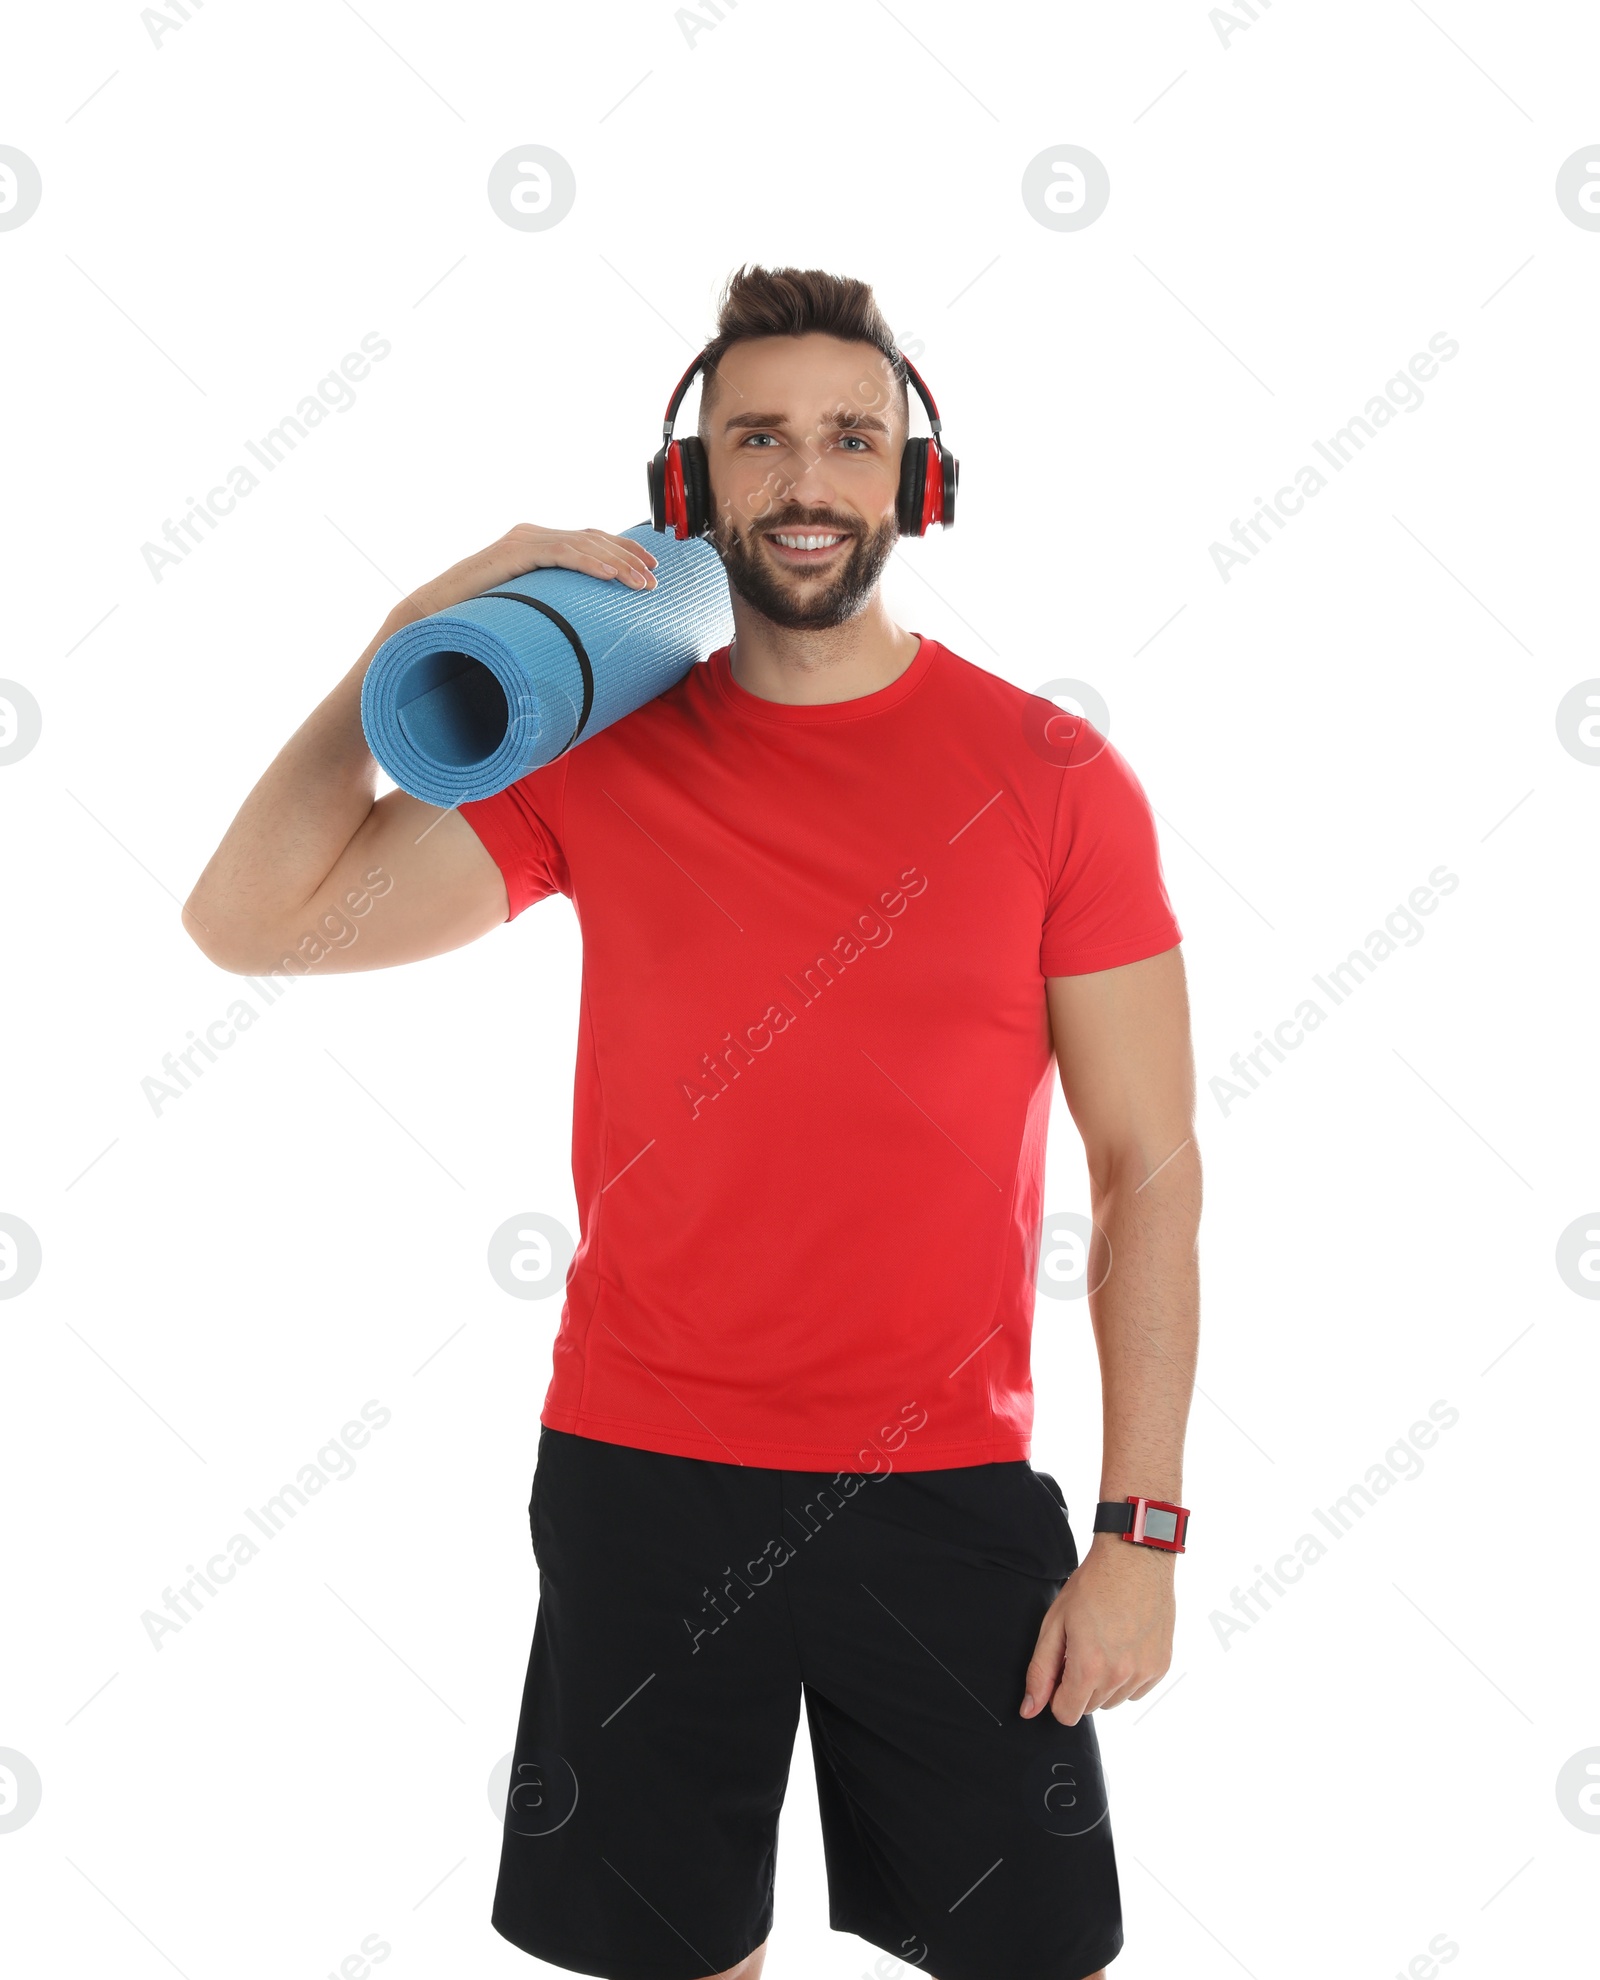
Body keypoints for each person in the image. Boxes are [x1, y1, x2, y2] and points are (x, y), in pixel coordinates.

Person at [184, 263, 1200, 1980]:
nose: (807, 480)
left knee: (1030, 1950)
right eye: (761, 441)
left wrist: (1139, 1534)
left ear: (913, 483)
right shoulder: (597, 756)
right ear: (694, 486)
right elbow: (254, 921)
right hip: (644, 1480)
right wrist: (411, 625)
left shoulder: (1051, 779)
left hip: (939, 1489)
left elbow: (1150, 1174)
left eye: (850, 440)